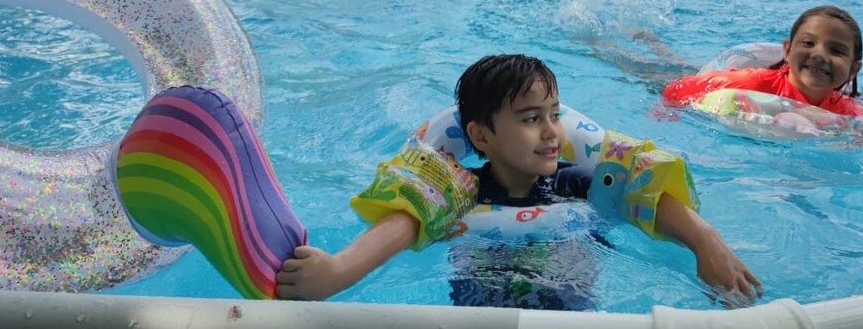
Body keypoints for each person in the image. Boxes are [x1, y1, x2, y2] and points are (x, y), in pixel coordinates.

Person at [276, 53, 763, 306]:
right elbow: (405, 223)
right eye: (531, 119)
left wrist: (705, 242)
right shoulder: (461, 192)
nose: (553, 132)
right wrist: (338, 271)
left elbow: (646, 194)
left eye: (554, 115)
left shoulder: (577, 182)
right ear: (480, 135)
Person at [661, 5, 863, 153]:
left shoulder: (849, 111)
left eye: (836, 51)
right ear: (788, 50)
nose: (819, 55)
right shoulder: (755, 82)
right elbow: (677, 89)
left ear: (853, 70)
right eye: (808, 43)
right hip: (719, 78)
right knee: (657, 67)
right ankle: (649, 41)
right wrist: (666, 114)